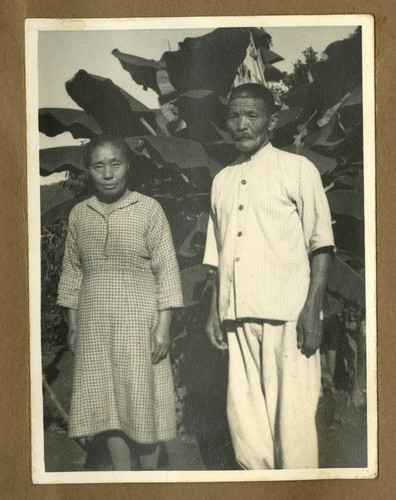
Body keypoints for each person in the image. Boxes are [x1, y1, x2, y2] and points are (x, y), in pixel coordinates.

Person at [203, 83, 335, 470]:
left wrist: (312, 311)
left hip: (289, 317)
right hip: (238, 317)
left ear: (272, 121)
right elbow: (219, 253)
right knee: (247, 433)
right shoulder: (222, 180)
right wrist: (214, 311)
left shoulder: (297, 169)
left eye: (252, 116)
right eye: (234, 116)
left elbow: (322, 245)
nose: (242, 124)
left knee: (292, 431)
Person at [57, 134, 183, 471]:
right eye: (98, 166)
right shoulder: (79, 214)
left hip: (140, 323)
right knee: (107, 406)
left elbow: (168, 270)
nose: (108, 173)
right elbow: (72, 271)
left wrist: (163, 328)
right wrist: (72, 325)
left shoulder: (148, 209)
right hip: (94, 324)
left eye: (116, 164)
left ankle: (149, 483)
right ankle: (123, 480)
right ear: (89, 171)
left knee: (141, 403)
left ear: (128, 166)